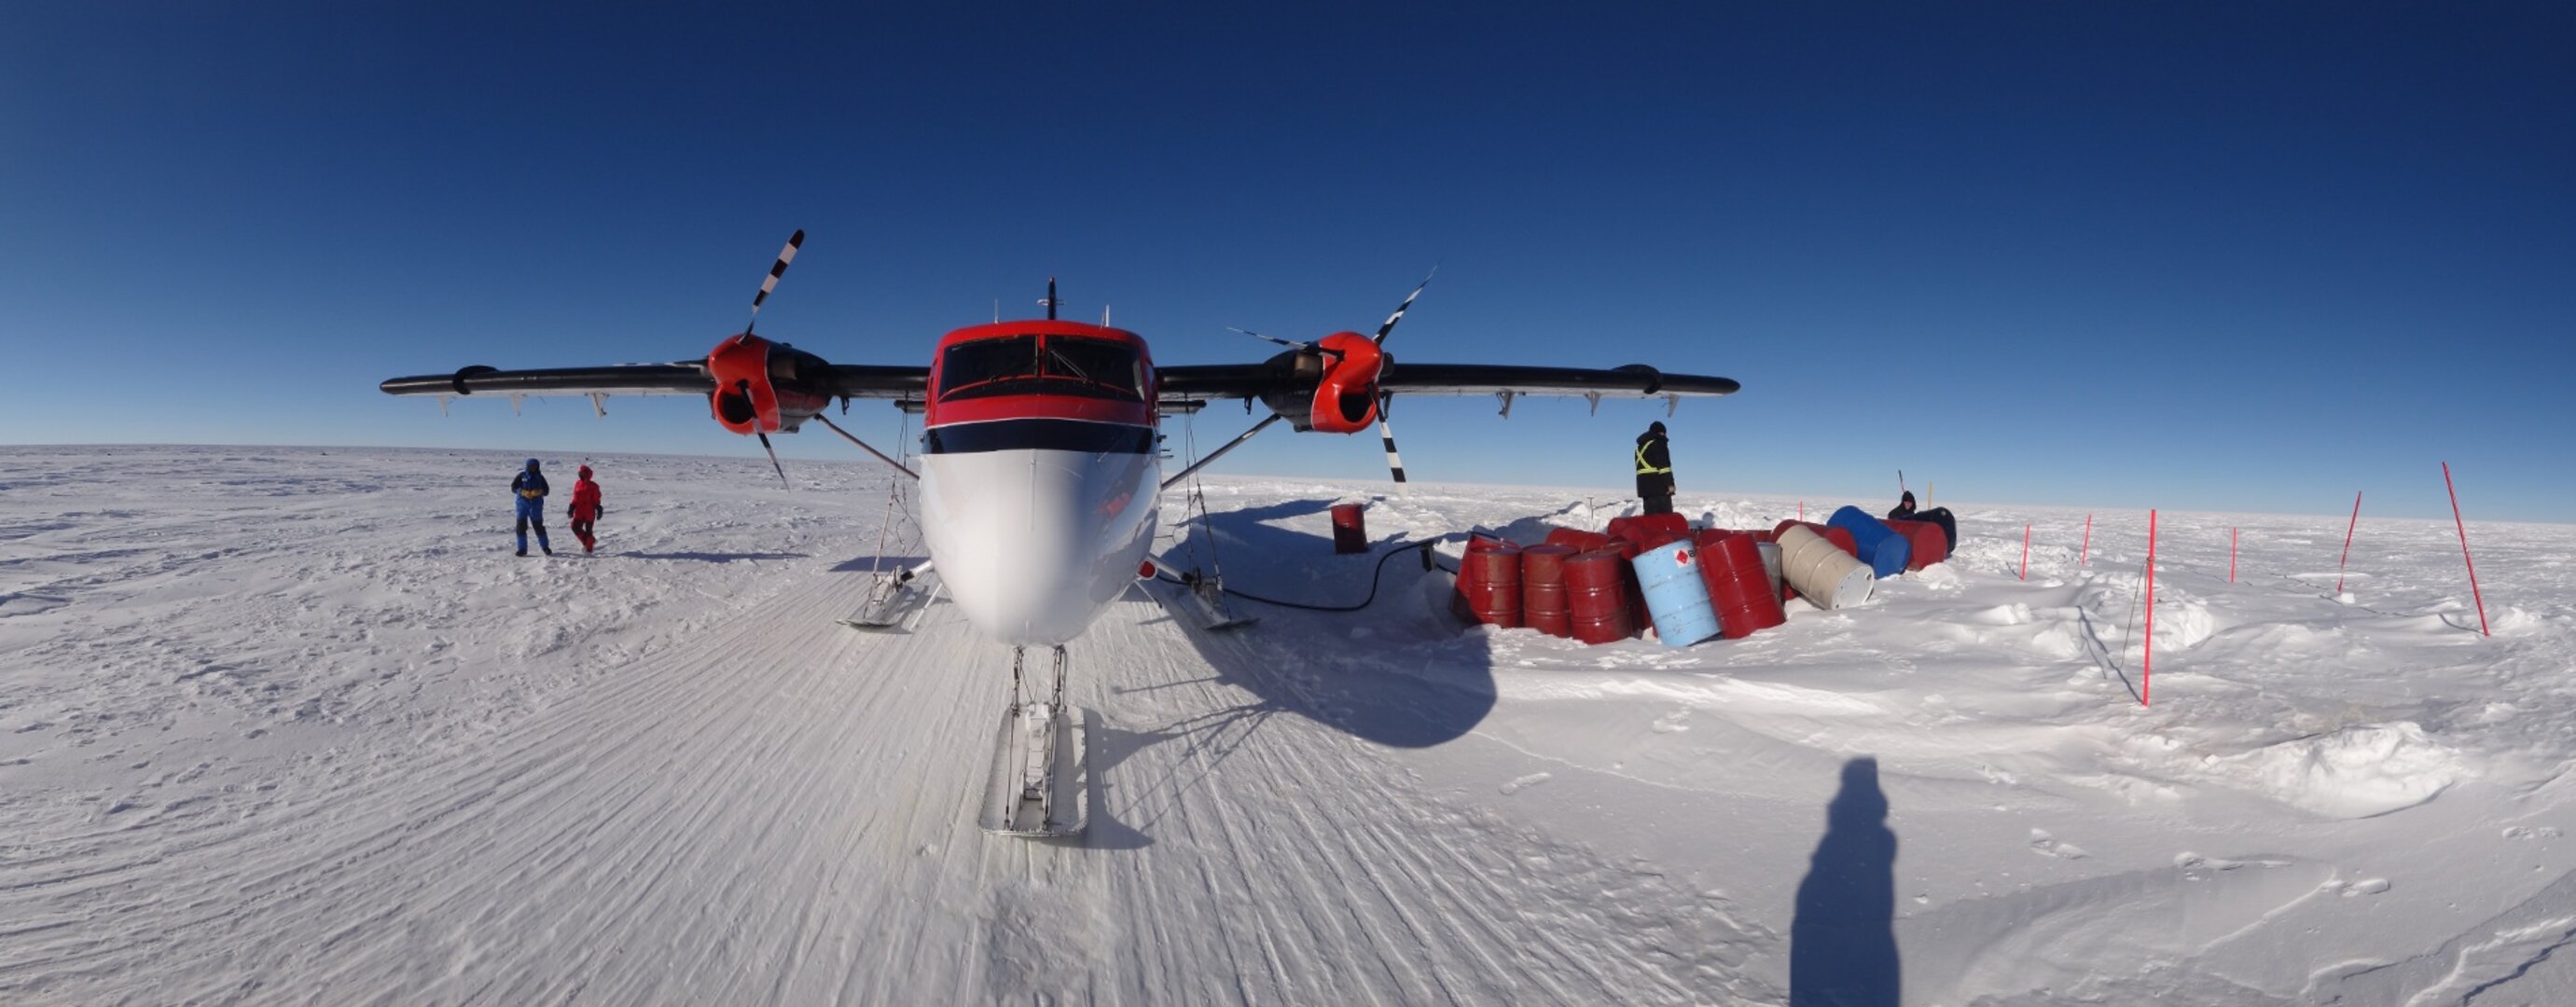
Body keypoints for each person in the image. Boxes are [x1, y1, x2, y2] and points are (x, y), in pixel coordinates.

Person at [511, 458, 553, 557]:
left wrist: (540, 491)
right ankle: (522, 549)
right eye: (531, 466)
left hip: (536, 506)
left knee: (539, 528)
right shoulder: (521, 476)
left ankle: (545, 547)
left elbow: (546, 490)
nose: (533, 468)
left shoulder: (540, 477)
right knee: (521, 528)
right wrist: (522, 492)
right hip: (522, 506)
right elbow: (513, 487)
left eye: (535, 466)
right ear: (527, 466)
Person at [1634, 421, 1675, 516]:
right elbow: (1664, 467)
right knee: (1666, 520)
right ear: (1661, 432)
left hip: (1645, 490)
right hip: (1659, 489)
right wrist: (1670, 484)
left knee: (1651, 521)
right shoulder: (1658, 443)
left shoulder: (1640, 447)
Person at [568, 464, 604, 554]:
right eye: (580, 472)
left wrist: (599, 508)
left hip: (589, 512)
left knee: (589, 532)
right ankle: (588, 542)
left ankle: (589, 550)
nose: (580, 474)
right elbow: (575, 497)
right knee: (575, 527)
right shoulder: (578, 484)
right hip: (579, 510)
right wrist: (572, 507)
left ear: (588, 474)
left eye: (583, 473)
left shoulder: (594, 486)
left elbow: (596, 499)